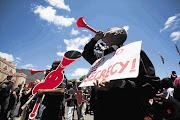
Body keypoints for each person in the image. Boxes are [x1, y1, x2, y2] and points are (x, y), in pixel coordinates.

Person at [82, 27, 160, 120]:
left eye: (109, 30)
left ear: (117, 33)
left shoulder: (134, 52)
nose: (105, 31)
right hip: (102, 110)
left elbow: (150, 86)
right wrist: (94, 40)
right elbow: (87, 54)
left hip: (127, 111)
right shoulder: (103, 56)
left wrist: (121, 84)